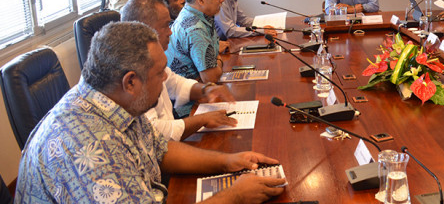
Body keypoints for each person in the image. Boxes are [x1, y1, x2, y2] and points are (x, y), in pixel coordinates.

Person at [14, 22, 285, 203]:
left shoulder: (114, 102)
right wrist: (233, 196)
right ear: (130, 82)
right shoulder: (88, 146)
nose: (166, 78)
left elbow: (160, 150)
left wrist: (227, 162)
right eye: (159, 73)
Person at [121, 0, 238, 140]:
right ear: (144, 28)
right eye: (165, 26)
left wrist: (206, 89)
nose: (170, 31)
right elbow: (155, 133)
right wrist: (202, 119)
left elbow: (174, 83)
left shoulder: (151, 56)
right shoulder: (131, 69)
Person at [167, 0, 225, 83]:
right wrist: (219, 60)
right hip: (192, 97)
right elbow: (211, 78)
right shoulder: (195, 29)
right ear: (201, 0)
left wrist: (216, 59)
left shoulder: (192, 14)